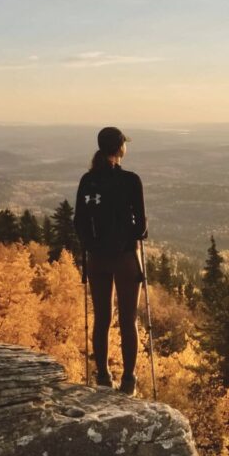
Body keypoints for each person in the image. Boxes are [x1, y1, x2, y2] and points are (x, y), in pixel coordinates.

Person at [73, 126, 148, 395]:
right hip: (126, 257)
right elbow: (140, 226)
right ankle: (129, 382)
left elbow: (79, 222)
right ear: (119, 149)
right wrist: (127, 238)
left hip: (96, 259)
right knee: (129, 320)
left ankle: (103, 378)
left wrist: (93, 246)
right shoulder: (131, 180)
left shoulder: (87, 180)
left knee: (101, 318)